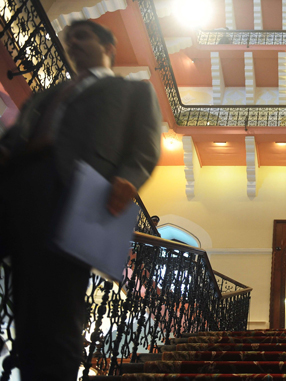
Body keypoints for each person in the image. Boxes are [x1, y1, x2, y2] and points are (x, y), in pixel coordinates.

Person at [0, 20, 162, 380]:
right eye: (68, 40)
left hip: (71, 196)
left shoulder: (131, 91)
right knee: (22, 299)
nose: (72, 44)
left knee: (55, 307)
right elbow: (17, 135)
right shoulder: (46, 95)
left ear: (108, 45)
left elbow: (146, 144)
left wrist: (129, 179)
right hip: (15, 187)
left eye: (81, 37)